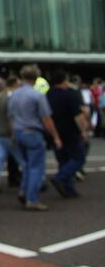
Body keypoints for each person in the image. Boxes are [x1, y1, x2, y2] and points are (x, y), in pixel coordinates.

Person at [9, 64, 62, 211]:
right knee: (36, 167)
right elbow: (46, 118)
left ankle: (24, 190)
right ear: (37, 77)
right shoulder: (37, 95)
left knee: (26, 165)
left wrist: (12, 133)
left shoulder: (15, 94)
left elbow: (11, 117)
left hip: (18, 131)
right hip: (32, 132)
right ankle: (32, 198)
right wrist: (56, 136)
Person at [46, 70, 88, 199]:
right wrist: (84, 131)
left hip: (54, 131)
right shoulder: (70, 94)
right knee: (78, 157)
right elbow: (78, 115)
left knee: (63, 160)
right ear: (64, 80)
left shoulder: (48, 94)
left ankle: (69, 189)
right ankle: (61, 178)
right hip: (70, 131)